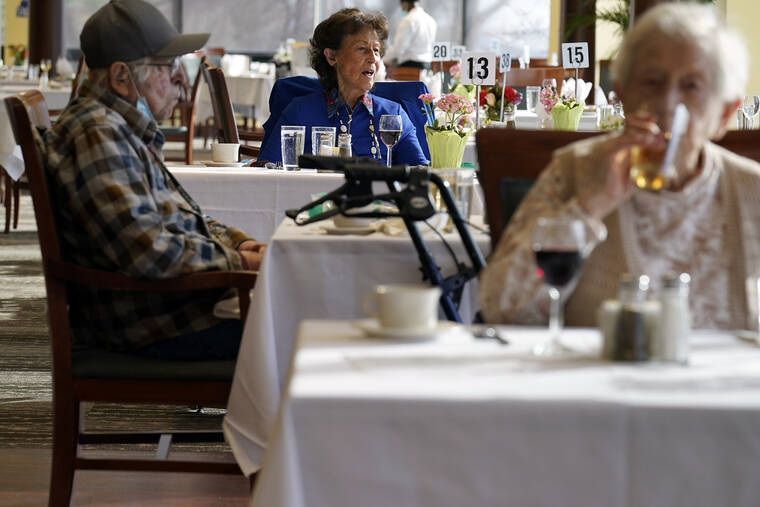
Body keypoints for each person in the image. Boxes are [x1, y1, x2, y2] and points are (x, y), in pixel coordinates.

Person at [479, 3, 756, 330]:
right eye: (652, 82)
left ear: (725, 113)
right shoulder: (575, 169)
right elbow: (501, 309)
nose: (668, 104)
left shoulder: (751, 189)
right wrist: (590, 204)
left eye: (691, 86)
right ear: (622, 96)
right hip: (596, 364)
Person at [37, 0, 266, 358]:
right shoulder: (98, 134)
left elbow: (182, 216)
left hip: (169, 310)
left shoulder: (119, 128)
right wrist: (243, 264)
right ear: (120, 77)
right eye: (168, 65)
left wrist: (241, 245)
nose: (181, 78)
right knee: (299, 331)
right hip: (153, 325)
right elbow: (147, 251)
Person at [257, 8, 427, 167]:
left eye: (376, 50)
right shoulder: (300, 112)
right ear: (331, 56)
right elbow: (268, 169)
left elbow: (420, 173)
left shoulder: (393, 115)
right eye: (362, 48)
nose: (372, 58)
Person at [384, 0, 437, 69]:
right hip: (427, 66)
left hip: (410, 67)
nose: (401, 6)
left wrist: (382, 58)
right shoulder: (431, 21)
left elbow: (399, 48)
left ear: (405, 2)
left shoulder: (408, 20)